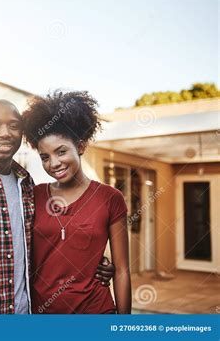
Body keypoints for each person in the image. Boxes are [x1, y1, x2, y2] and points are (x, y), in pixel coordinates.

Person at [0, 99, 115, 314]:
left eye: (14, 126)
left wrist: (95, 266)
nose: (5, 133)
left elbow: (46, 247)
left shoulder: (27, 184)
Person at [22, 90, 131, 314]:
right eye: (45, 157)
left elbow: (121, 271)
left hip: (96, 313)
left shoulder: (110, 198)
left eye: (61, 151)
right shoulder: (33, 195)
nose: (54, 163)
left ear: (80, 147)